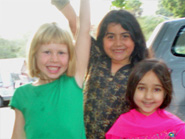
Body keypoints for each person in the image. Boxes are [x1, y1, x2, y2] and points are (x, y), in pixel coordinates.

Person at [51, 1, 150, 138]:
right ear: (101, 39)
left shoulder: (143, 72)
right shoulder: (96, 57)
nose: (118, 43)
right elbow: (77, 27)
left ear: (136, 38)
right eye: (110, 37)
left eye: (125, 36)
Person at [9, 0, 90, 138]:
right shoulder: (21, 94)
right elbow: (18, 136)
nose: (54, 59)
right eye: (47, 52)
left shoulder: (73, 81)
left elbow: (84, 30)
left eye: (61, 53)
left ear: (70, 56)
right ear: (34, 54)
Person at [106, 59, 185, 139]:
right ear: (132, 89)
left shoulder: (175, 128)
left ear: (165, 92)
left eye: (156, 89)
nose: (148, 96)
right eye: (141, 88)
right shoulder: (122, 125)